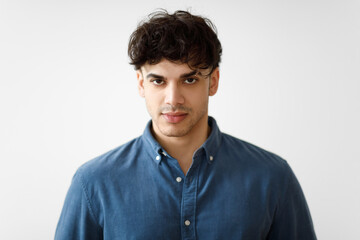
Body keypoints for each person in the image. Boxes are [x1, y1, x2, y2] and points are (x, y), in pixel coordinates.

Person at [55, 10, 317, 240]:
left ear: (213, 81)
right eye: (158, 81)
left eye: (189, 80)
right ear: (140, 83)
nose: (173, 99)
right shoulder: (94, 183)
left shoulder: (272, 178)